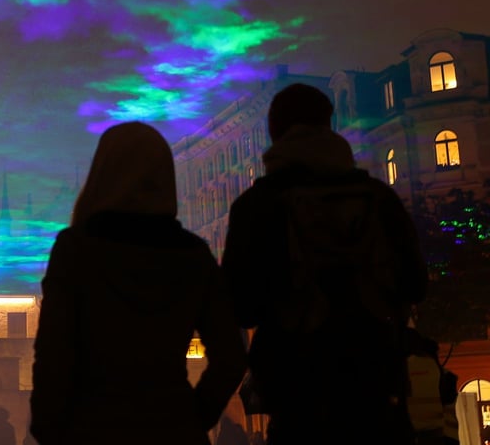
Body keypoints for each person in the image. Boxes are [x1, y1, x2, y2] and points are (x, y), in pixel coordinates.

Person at [222, 83, 428, 445]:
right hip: (375, 377)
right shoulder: (379, 198)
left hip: (295, 386)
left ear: (273, 133)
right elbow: (416, 283)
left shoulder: (256, 206)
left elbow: (240, 307)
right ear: (329, 125)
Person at [30, 122, 247, 444]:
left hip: (94, 428)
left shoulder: (75, 249)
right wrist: (193, 416)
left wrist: (51, 429)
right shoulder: (194, 254)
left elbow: (52, 355)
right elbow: (230, 357)